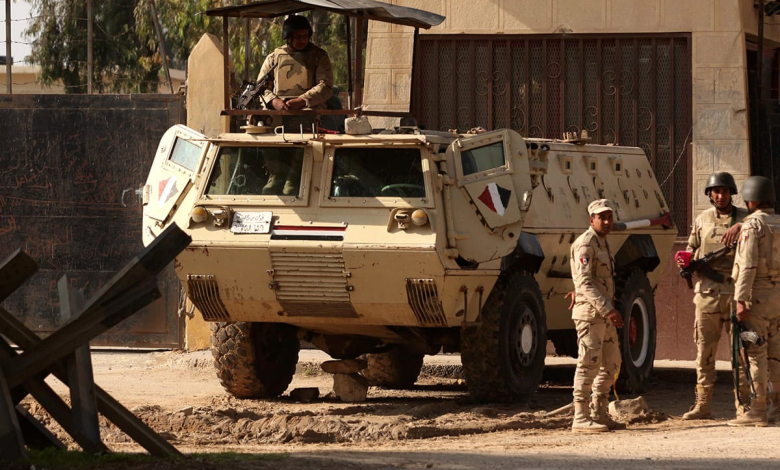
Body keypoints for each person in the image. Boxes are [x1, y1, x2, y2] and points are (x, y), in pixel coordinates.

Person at [678, 172, 748, 420]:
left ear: (732, 193)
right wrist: (685, 260)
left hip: (736, 292)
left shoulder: (746, 219)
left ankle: (744, 405)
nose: (721, 196)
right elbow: (691, 246)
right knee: (704, 352)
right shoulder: (702, 219)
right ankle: (702, 405)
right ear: (709, 194)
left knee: (740, 354)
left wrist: (743, 225)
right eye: (716, 191)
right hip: (707, 294)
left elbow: (766, 226)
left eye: (725, 191)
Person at [727, 176, 780, 427]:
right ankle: (777, 408)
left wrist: (741, 300)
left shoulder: (752, 227)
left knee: (755, 351)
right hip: (778, 299)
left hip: (756, 299)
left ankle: (757, 410)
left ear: (752, 199)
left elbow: (747, 266)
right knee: (777, 354)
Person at [569, 199, 624, 433]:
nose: (607, 221)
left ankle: (599, 412)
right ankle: (580, 417)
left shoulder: (603, 243)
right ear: (591, 219)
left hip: (604, 314)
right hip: (592, 315)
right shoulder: (586, 244)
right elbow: (584, 282)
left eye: (610, 217)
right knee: (588, 363)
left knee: (611, 363)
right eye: (602, 217)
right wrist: (608, 309)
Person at [257, 15, 334, 112]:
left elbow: (325, 86)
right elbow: (260, 87)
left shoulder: (319, 56)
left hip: (311, 108)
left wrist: (302, 100)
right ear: (288, 37)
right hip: (278, 110)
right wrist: (273, 101)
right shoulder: (273, 58)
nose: (303, 40)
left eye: (305, 36)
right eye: (298, 37)